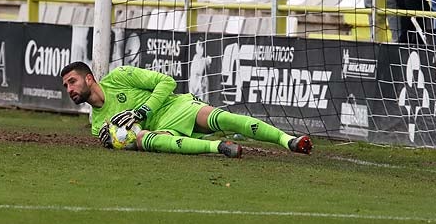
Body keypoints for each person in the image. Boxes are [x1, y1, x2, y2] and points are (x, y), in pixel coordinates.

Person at [60, 62, 312, 157]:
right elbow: (128, 141)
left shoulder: (121, 76)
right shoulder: (97, 125)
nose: (69, 89)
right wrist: (119, 143)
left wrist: (142, 111)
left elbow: (167, 82)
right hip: (159, 131)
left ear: (89, 78)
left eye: (72, 81)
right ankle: (220, 148)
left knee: (224, 118)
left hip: (176, 107)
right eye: (65, 86)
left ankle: (288, 140)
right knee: (144, 139)